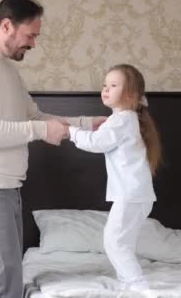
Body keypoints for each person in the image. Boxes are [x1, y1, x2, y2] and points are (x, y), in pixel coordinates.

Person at [0, 0, 106, 298]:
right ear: (7, 26)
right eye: (31, 35)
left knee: (10, 284)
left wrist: (86, 123)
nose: (33, 44)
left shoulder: (5, 68)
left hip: (5, 190)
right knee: (5, 286)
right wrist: (42, 130)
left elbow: (35, 116)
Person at [67, 64, 162, 291]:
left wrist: (70, 132)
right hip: (138, 194)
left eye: (113, 85)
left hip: (131, 194)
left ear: (130, 94)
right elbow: (104, 136)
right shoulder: (125, 119)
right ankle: (127, 282)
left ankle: (138, 285)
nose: (105, 89)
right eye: (104, 85)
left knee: (114, 241)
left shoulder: (122, 120)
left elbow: (95, 143)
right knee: (124, 242)